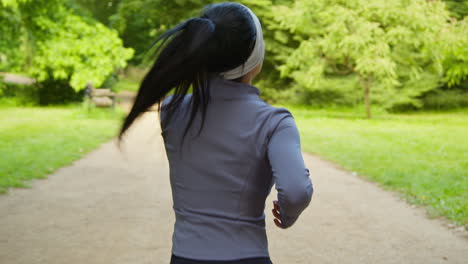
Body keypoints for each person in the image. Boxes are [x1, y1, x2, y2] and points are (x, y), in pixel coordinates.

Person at [119, 2, 313, 264]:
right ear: (255, 58)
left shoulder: (172, 112)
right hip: (247, 256)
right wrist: (288, 215)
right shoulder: (274, 122)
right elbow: (296, 190)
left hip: (184, 256)